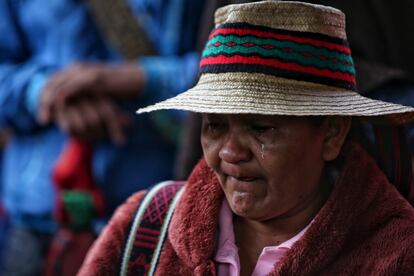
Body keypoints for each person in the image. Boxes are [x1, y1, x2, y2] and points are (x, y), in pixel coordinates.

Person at [79, 1, 414, 275]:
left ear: (332, 133)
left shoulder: (394, 255)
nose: (230, 152)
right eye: (214, 126)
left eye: (260, 128)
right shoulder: (146, 227)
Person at [0, 0, 204, 274]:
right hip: (36, 224)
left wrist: (139, 79)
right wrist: (42, 93)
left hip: (156, 224)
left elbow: (233, 68)